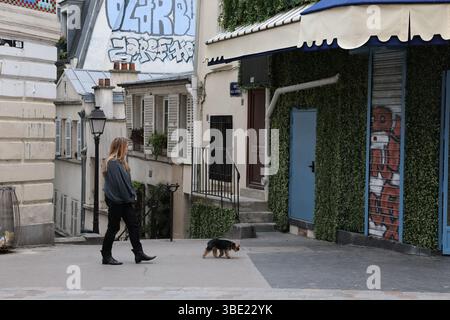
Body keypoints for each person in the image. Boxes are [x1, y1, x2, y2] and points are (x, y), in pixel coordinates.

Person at [101, 137, 156, 265]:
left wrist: (131, 196)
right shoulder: (113, 163)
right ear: (120, 147)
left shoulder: (121, 163)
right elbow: (120, 185)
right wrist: (130, 197)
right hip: (117, 201)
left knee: (133, 225)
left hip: (124, 201)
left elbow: (127, 183)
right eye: (126, 146)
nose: (127, 149)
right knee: (113, 228)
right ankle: (106, 255)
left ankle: (138, 253)